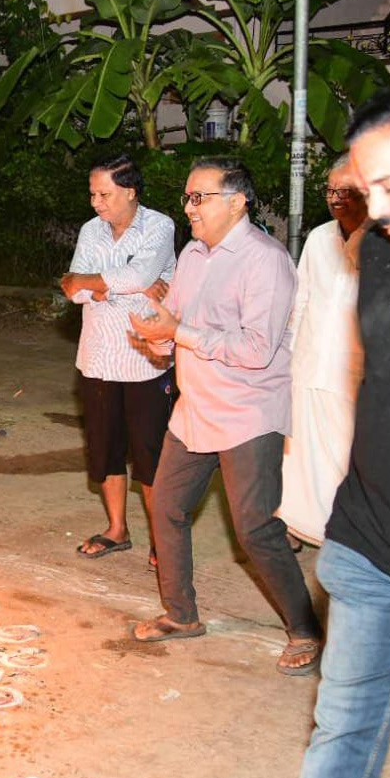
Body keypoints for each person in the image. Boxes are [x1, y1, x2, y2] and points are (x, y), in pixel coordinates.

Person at [278, 82, 390, 778]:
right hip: (373, 549)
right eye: (365, 190)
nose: (375, 208)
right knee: (342, 733)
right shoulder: (375, 247)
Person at [127, 158, 324, 676]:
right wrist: (159, 342)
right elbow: (179, 322)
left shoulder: (266, 260)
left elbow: (257, 349)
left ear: (238, 201)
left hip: (248, 412)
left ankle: (305, 629)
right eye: (187, 197)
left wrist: (179, 333)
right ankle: (181, 615)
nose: (189, 208)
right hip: (195, 409)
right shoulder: (192, 254)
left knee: (255, 528)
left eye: (200, 197)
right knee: (165, 507)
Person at [60, 154, 176, 568]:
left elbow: (138, 278)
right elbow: (72, 288)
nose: (96, 203)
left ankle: (163, 542)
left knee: (151, 454)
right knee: (105, 449)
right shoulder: (91, 231)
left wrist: (97, 284)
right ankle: (116, 530)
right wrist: (105, 286)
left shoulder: (159, 226)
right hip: (97, 358)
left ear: (130, 191)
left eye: (105, 194)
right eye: (92, 194)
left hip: (145, 359)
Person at [277, 156, 369, 547]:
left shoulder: (388, 245)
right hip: (309, 366)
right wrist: (286, 357)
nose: (336, 198)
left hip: (352, 377)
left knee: (349, 462)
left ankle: (349, 538)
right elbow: (300, 301)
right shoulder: (317, 238)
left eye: (345, 191)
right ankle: (297, 528)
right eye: (331, 190)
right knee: (299, 461)